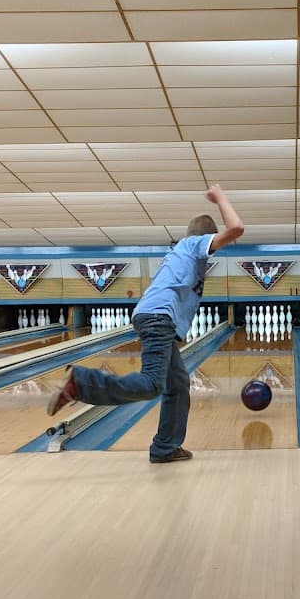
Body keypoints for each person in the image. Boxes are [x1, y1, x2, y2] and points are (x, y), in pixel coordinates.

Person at [46, 184, 244, 463]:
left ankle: (165, 448)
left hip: (154, 318)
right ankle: (81, 382)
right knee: (152, 384)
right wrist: (220, 197)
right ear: (207, 238)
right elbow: (236, 229)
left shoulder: (181, 253)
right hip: (157, 319)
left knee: (177, 384)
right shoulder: (195, 245)